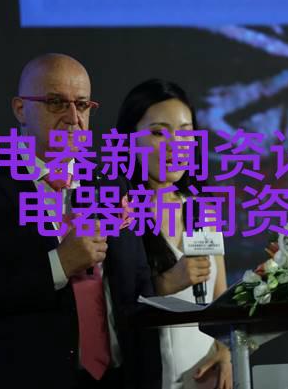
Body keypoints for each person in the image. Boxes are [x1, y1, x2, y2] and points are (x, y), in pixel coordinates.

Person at [0, 53, 161, 389]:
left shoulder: (112, 183)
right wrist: (58, 265)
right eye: (56, 102)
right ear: (20, 109)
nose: (73, 118)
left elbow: (137, 287)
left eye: (82, 105)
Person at [116, 79, 233, 389]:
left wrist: (225, 352)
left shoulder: (202, 210)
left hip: (205, 378)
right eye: (158, 133)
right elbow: (109, 309)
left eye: (185, 132)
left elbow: (220, 299)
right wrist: (166, 284)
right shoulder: (118, 212)